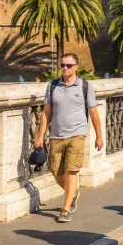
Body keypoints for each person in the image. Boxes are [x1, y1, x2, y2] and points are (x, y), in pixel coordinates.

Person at [34, 53, 104, 224]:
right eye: (62, 65)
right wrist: (39, 136)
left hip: (77, 135)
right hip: (56, 135)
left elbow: (93, 113)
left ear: (76, 67)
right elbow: (46, 112)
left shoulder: (85, 86)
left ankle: (65, 209)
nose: (65, 68)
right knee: (56, 170)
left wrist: (99, 136)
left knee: (71, 170)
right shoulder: (52, 86)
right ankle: (73, 192)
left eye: (69, 65)